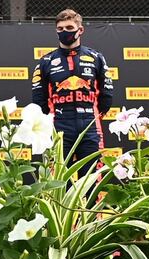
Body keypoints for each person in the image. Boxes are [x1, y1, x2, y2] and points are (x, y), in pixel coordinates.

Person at [32, 9, 113, 161]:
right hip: (58, 125)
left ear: (80, 30)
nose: (64, 32)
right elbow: (38, 99)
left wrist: (94, 115)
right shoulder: (46, 61)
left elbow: (106, 94)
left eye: (69, 28)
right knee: (58, 179)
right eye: (60, 29)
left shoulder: (96, 58)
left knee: (91, 180)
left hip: (90, 124)